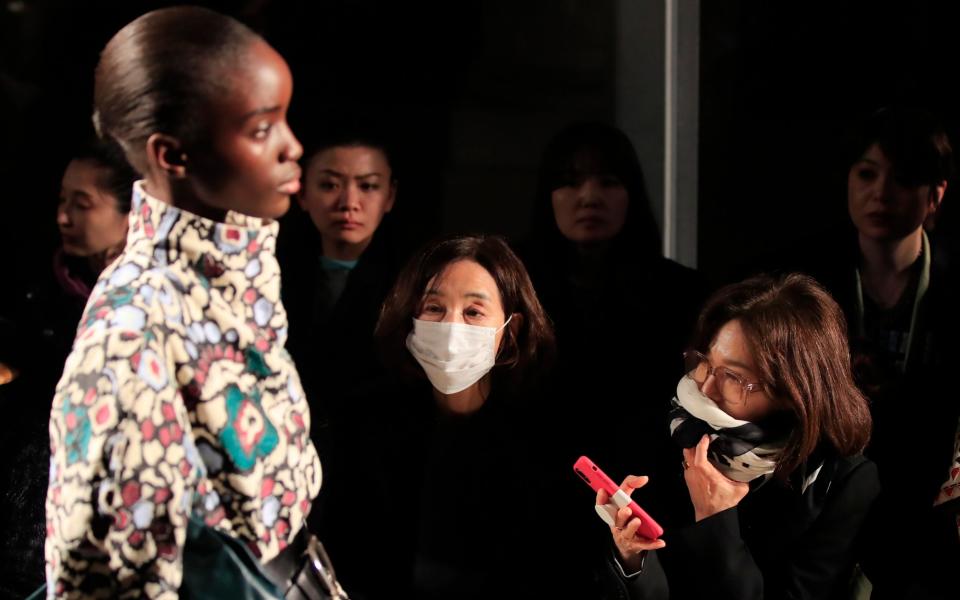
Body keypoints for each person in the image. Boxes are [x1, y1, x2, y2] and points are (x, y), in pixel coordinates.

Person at [43, 7, 330, 597]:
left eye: (286, 120)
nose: (293, 147)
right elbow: (108, 579)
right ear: (173, 155)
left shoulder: (235, 274)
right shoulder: (132, 328)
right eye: (260, 129)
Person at [757, 107, 959, 598]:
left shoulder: (955, 285)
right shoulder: (800, 278)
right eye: (867, 173)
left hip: (923, 496)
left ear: (935, 196)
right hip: (818, 487)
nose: (881, 193)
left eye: (904, 177)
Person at [317, 235, 575, 599]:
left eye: (473, 312)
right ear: (411, 318)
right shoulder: (361, 425)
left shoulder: (546, 438)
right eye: (435, 309)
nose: (453, 328)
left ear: (510, 330)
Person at [598, 273, 879, 600]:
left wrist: (716, 519)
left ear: (794, 391)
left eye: (733, 376)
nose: (706, 387)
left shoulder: (843, 481)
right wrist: (632, 557)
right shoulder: (677, 432)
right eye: (705, 362)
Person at [0, 137, 135, 598]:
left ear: (130, 213)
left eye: (82, 204)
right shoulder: (44, 291)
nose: (64, 216)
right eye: (62, 200)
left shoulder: (151, 300)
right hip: (25, 495)